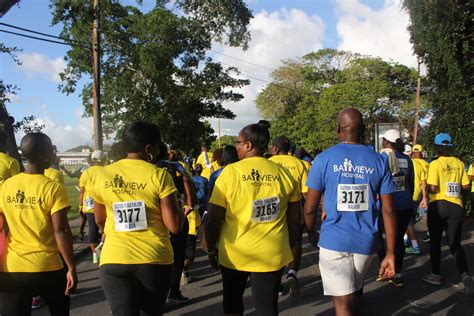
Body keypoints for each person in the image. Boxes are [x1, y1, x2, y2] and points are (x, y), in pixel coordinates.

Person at [304, 108, 396, 316]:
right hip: (366, 243)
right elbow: (389, 210)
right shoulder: (379, 161)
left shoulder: (323, 159)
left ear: (338, 129)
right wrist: (390, 253)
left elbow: (310, 208)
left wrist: (310, 232)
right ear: (363, 130)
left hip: (333, 242)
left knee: (343, 305)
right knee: (352, 294)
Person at [206, 120, 302, 315]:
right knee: (267, 307)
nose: (236, 146)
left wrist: (210, 249)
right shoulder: (283, 174)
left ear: (248, 145)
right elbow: (294, 220)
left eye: (237, 142)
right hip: (271, 252)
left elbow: (214, 219)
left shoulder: (229, 173)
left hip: (234, 253)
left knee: (232, 303)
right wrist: (291, 246)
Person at [92, 121, 185, 314]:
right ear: (148, 149)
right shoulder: (159, 175)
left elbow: (99, 220)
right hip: (153, 260)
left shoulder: (102, 175)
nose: (160, 149)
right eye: (158, 145)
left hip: (113, 259)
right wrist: (182, 210)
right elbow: (174, 226)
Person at [0, 132, 76, 315]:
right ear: (45, 155)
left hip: (12, 266)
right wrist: (71, 267)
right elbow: (61, 231)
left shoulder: (6, 186)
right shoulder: (53, 188)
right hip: (48, 266)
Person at [421, 133, 473, 296]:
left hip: (439, 205)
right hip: (456, 206)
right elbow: (465, 185)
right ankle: (465, 275)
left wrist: (430, 188)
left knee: (435, 242)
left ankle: (435, 275)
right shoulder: (459, 163)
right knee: (455, 243)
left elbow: (434, 188)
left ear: (436, 147)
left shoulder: (435, 164)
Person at [269, 136, 309, 297]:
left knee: (274, 245)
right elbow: (306, 193)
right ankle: (292, 272)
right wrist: (309, 216)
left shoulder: (269, 163)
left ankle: (276, 280)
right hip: (295, 210)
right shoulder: (301, 164)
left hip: (274, 210)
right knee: (296, 242)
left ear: (275, 149)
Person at [378, 129, 414, 287]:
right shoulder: (407, 159)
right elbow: (410, 183)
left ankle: (384, 265)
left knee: (378, 236)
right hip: (405, 205)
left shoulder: (381, 157)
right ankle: (398, 272)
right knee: (398, 239)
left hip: (386, 205)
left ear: (386, 142)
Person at [79, 150, 106, 264]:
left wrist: (80, 205)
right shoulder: (107, 171)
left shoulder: (86, 173)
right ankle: (102, 248)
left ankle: (95, 254)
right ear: (104, 159)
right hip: (104, 203)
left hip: (89, 205)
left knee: (92, 229)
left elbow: (81, 191)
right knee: (105, 228)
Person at [405, 144, 429, 254]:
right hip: (416, 195)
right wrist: (424, 197)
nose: (416, 153)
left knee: (407, 220)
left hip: (406, 196)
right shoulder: (421, 164)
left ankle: (413, 245)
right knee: (409, 220)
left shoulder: (403, 163)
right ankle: (407, 240)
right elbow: (424, 182)